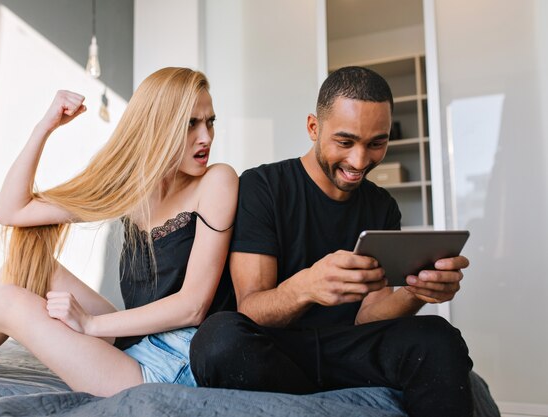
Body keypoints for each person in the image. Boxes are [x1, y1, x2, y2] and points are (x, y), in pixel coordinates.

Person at [0, 67, 238, 397]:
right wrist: (45, 127)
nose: (206, 137)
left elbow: (193, 307)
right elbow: (10, 211)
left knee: (7, 301)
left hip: (173, 366)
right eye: (192, 123)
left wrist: (90, 324)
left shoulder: (217, 181)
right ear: (158, 125)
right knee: (20, 272)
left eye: (210, 121)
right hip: (140, 340)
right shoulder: (134, 190)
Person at [190, 66, 474, 417]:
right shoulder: (263, 186)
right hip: (282, 349)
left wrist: (415, 291)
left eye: (376, 144)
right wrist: (307, 287)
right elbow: (251, 308)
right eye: (345, 141)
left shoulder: (382, 206)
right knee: (218, 338)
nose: (359, 160)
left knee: (438, 337)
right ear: (313, 127)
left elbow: (369, 318)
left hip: (349, 348)